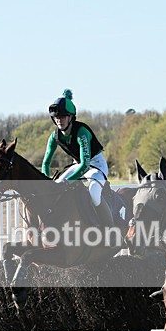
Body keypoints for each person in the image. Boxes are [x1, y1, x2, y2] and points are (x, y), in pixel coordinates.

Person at [42, 89, 113, 227]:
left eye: (63, 116)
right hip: (78, 164)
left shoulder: (81, 132)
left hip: (96, 165)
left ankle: (109, 228)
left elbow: (86, 165)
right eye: (56, 117)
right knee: (55, 190)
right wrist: (46, 181)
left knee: (94, 193)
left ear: (71, 117)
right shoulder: (54, 136)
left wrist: (67, 182)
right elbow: (46, 163)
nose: (59, 120)